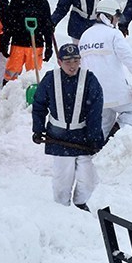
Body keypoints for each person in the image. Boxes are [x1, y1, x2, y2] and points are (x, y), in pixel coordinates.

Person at [32, 43, 104, 210]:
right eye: (67, 61)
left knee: (89, 179)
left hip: (83, 138)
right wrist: (38, 128)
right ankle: (61, 209)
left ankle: (80, 203)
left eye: (76, 60)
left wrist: (94, 138)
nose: (72, 65)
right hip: (59, 138)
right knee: (62, 180)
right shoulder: (50, 78)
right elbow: (39, 104)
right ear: (59, 62)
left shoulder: (90, 79)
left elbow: (95, 110)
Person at [78, 0, 132, 137]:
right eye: (116, 17)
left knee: (104, 120)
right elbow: (127, 56)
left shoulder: (85, 35)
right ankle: (117, 134)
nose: (117, 21)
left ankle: (98, 149)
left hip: (93, 93)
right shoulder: (113, 34)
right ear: (109, 16)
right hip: (115, 90)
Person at [1, 0, 55, 85]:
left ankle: (33, 96)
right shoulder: (17, 1)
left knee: (34, 75)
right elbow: (9, 24)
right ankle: (8, 93)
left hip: (36, 45)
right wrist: (5, 41)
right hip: (18, 44)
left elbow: (47, 26)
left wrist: (49, 46)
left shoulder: (43, 3)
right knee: (11, 72)